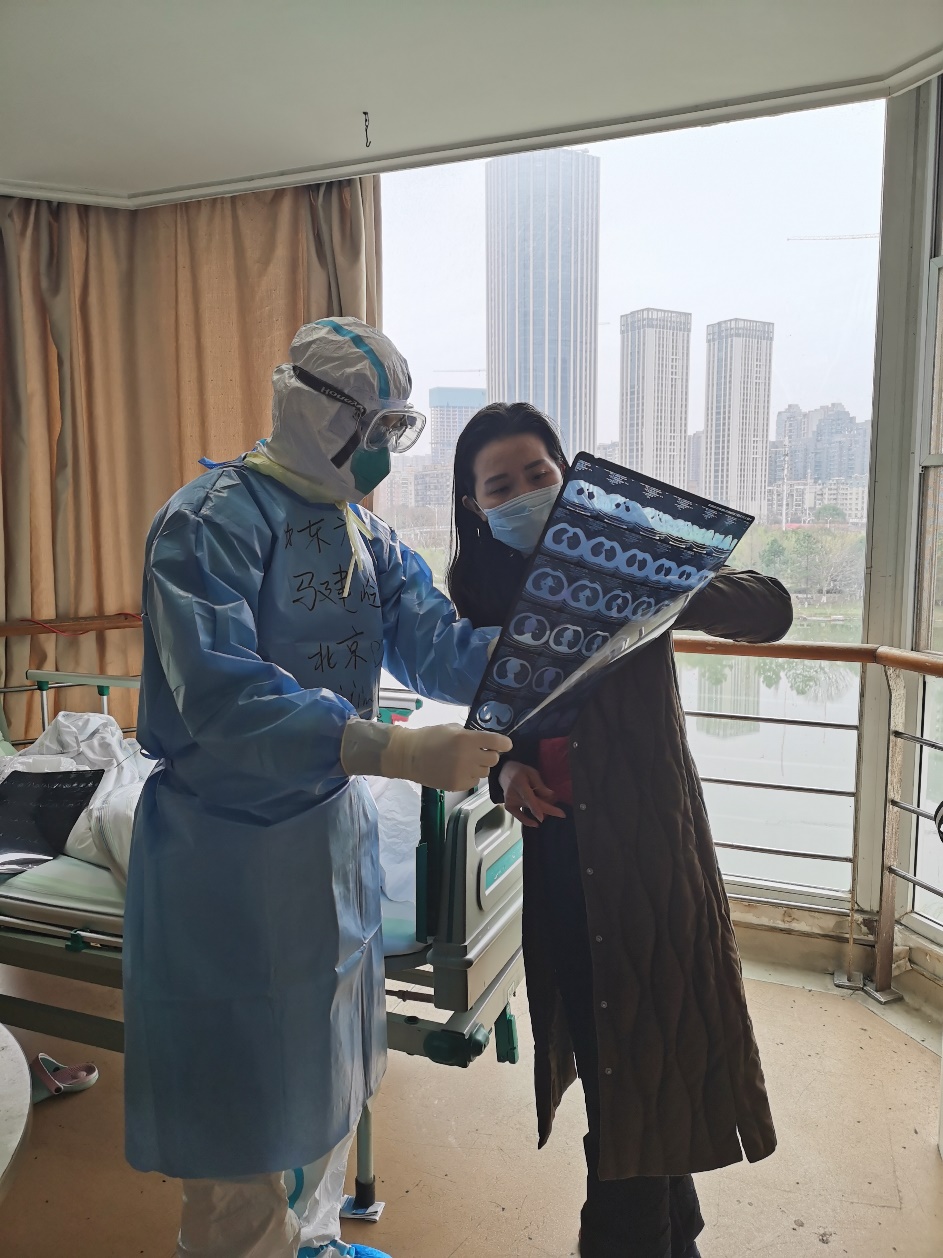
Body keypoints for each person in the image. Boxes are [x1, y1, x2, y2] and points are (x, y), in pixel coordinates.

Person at [123, 318, 511, 1258]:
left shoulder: (362, 533)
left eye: (394, 430)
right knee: (242, 1096)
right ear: (306, 407)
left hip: (330, 836)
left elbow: (436, 645)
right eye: (370, 427)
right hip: (227, 851)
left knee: (326, 1069)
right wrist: (394, 749)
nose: (379, 451)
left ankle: (315, 1240)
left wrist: (545, 646)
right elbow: (222, 694)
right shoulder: (209, 523)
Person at [448, 401, 793, 1258]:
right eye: (500, 485)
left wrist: (649, 585)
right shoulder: (480, 599)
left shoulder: (632, 559)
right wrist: (503, 772)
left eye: (538, 474)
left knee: (648, 1058)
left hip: (652, 854)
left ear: (568, 477)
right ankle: (674, 1239)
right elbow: (490, 729)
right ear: (474, 507)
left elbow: (771, 608)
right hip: (562, 859)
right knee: (622, 1063)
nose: (523, 493)